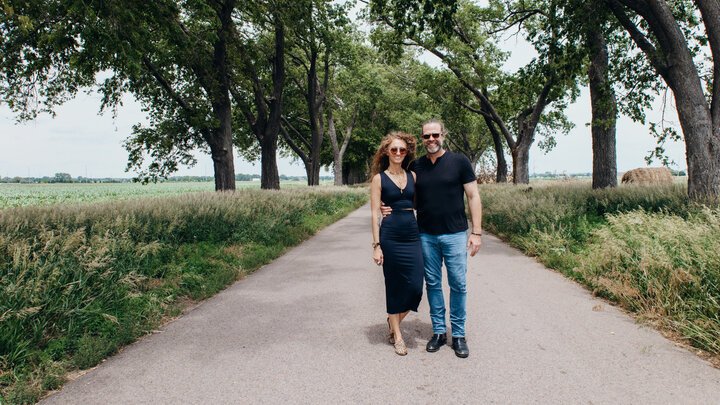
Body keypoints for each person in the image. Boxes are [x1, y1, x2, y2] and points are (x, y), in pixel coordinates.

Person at [382, 119, 482, 358]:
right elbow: (404, 194)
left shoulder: (460, 162)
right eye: (426, 136)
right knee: (434, 285)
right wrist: (387, 208)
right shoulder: (417, 166)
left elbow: (473, 196)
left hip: (456, 234)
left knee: (458, 284)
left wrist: (476, 232)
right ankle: (438, 332)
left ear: (443, 135)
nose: (431, 139)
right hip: (425, 235)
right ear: (423, 138)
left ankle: (458, 334)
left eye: (435, 135)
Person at [370, 131, 424, 356]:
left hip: (412, 235)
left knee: (415, 287)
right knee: (393, 285)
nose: (399, 153)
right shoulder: (378, 179)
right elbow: (374, 213)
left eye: (403, 150)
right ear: (386, 152)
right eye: (394, 149)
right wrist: (376, 245)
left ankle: (393, 322)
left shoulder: (413, 176)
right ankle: (398, 336)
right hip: (390, 236)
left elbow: (419, 205)